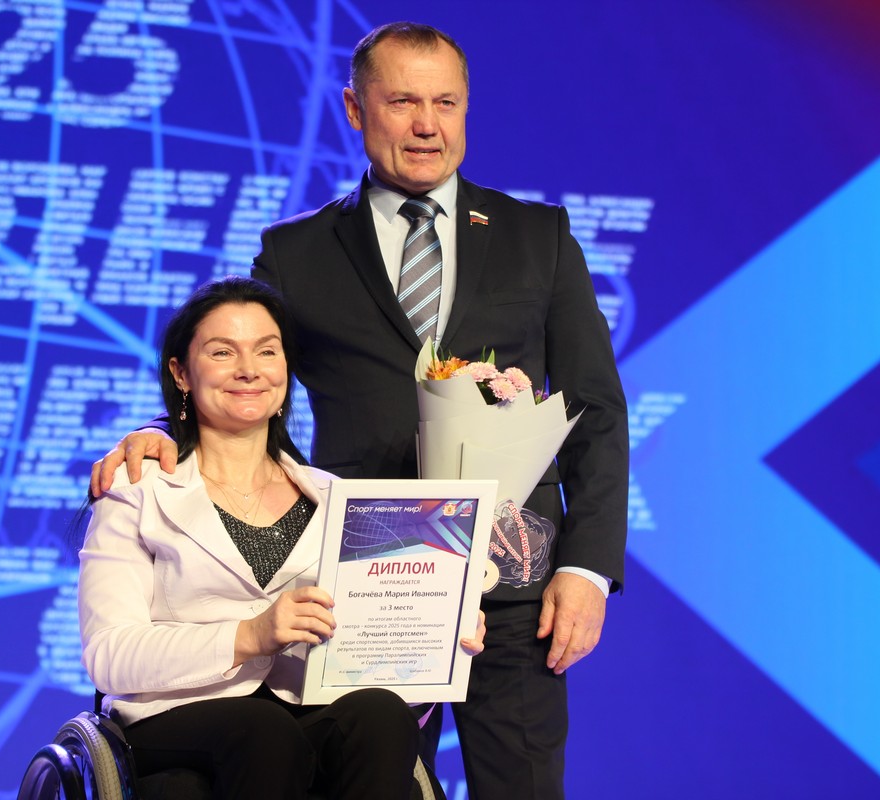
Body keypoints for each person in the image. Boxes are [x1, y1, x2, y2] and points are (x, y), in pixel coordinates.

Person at [92, 22, 629, 800]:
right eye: (403, 101)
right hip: (371, 585)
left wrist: (587, 568)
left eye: (446, 103)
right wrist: (157, 432)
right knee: (369, 777)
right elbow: (241, 368)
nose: (427, 125)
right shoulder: (297, 252)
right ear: (354, 108)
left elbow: (597, 409)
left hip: (514, 580)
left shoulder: (536, 236)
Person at [79, 276, 485, 799]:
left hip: (305, 707)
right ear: (181, 373)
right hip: (176, 717)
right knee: (263, 731)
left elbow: (372, 652)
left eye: (266, 351)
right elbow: (109, 655)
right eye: (222, 352)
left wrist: (437, 634)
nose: (249, 369)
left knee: (381, 715)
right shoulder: (136, 489)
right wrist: (250, 635)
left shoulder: (337, 497)